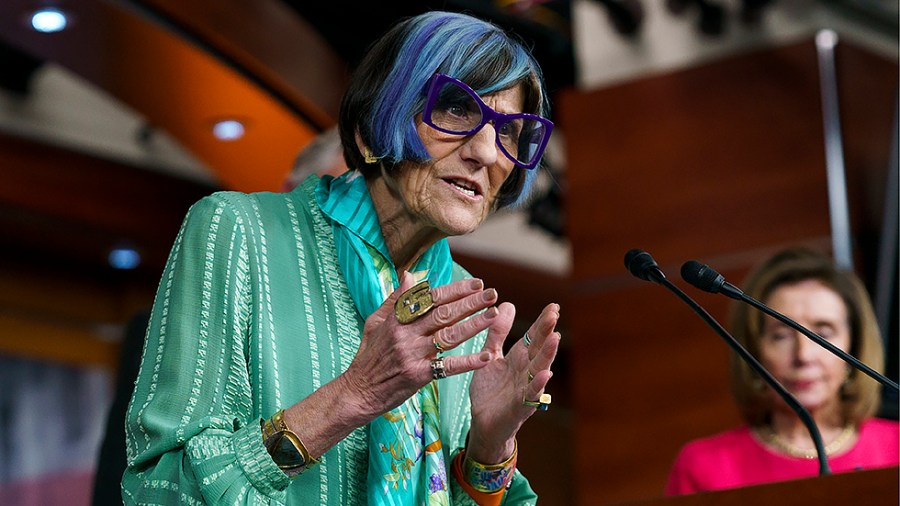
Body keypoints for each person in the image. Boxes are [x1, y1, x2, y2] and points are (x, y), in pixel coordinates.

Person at [122, 10, 561, 505]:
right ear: (374, 125)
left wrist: (487, 451)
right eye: (457, 109)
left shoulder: (469, 312)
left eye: (510, 131)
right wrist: (353, 394)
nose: (487, 151)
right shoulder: (239, 233)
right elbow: (160, 491)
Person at [665, 247, 899, 495]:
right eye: (781, 335)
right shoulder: (705, 466)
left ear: (855, 344)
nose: (804, 356)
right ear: (754, 349)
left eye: (823, 333)